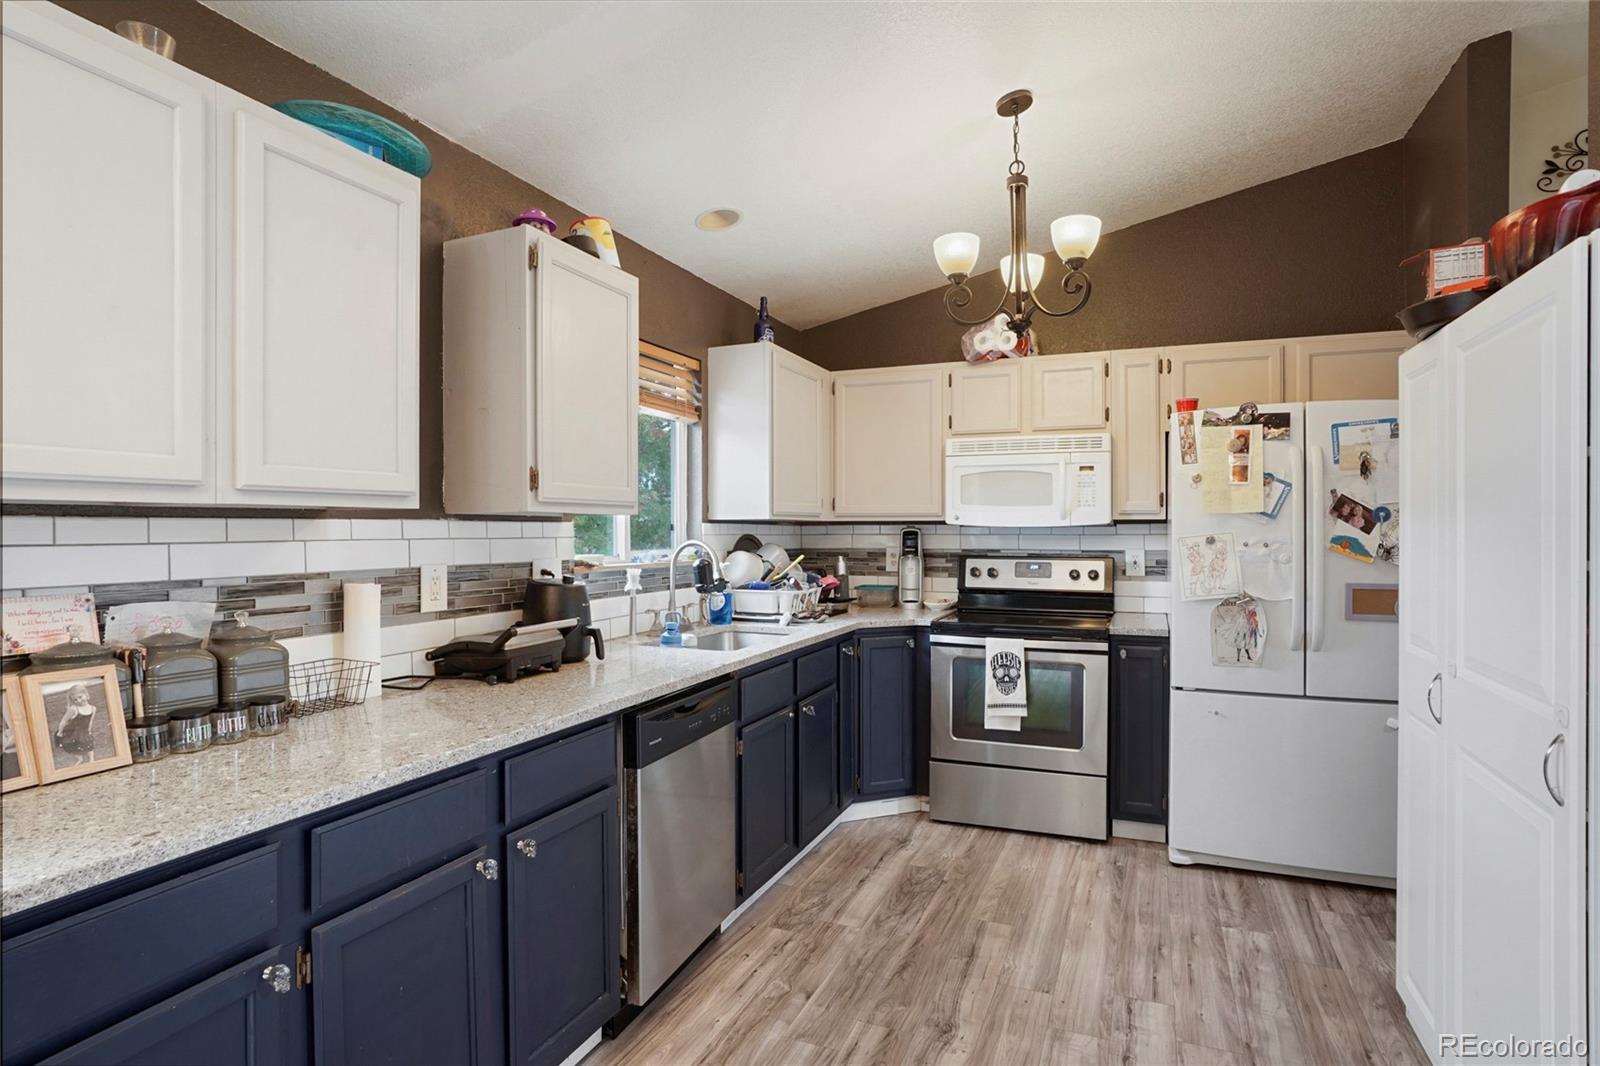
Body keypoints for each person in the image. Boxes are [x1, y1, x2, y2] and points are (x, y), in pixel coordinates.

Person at [54, 683, 98, 766]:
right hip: (73, 731)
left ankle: (92, 759)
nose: (78, 700)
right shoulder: (74, 709)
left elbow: (91, 720)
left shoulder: (93, 708)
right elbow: (64, 721)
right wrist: (60, 731)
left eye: (80, 697)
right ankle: (79, 758)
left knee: (89, 743)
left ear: (86, 694)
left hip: (84, 730)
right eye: (75, 700)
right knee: (71, 744)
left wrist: (89, 730)